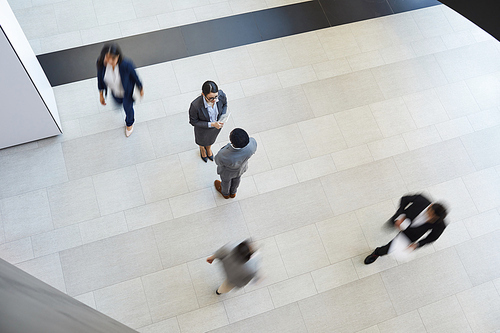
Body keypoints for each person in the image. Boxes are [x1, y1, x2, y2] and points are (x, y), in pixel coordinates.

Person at [364, 194, 448, 265]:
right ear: (429, 207)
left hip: (411, 234)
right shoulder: (421, 200)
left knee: (390, 248)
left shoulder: (440, 225)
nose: (430, 219)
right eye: (430, 215)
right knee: (389, 226)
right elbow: (405, 199)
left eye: (433, 219)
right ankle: (392, 226)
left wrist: (417, 244)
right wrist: (400, 215)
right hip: (402, 220)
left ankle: (377, 253)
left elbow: (432, 238)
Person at [97, 43, 144, 137]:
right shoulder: (101, 64)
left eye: (113, 58)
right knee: (118, 102)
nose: (110, 61)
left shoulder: (126, 64)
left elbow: (134, 75)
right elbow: (100, 79)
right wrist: (101, 93)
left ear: (118, 56)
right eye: (107, 57)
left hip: (127, 92)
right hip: (115, 91)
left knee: (128, 108)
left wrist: (140, 87)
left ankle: (129, 123)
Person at [189, 81, 228, 162]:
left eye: (216, 97)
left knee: (211, 138)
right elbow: (193, 122)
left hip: (216, 126)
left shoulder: (221, 95)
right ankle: (202, 148)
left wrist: (222, 116)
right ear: (203, 94)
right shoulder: (195, 105)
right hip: (203, 128)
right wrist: (211, 124)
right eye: (211, 98)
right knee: (201, 140)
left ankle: (209, 147)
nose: (214, 100)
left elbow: (225, 104)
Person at [214, 128, 257, 199]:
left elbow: (217, 161)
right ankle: (233, 192)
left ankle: (225, 193)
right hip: (242, 168)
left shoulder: (224, 154)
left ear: (231, 141)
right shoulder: (253, 143)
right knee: (237, 179)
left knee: (226, 182)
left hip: (227, 172)